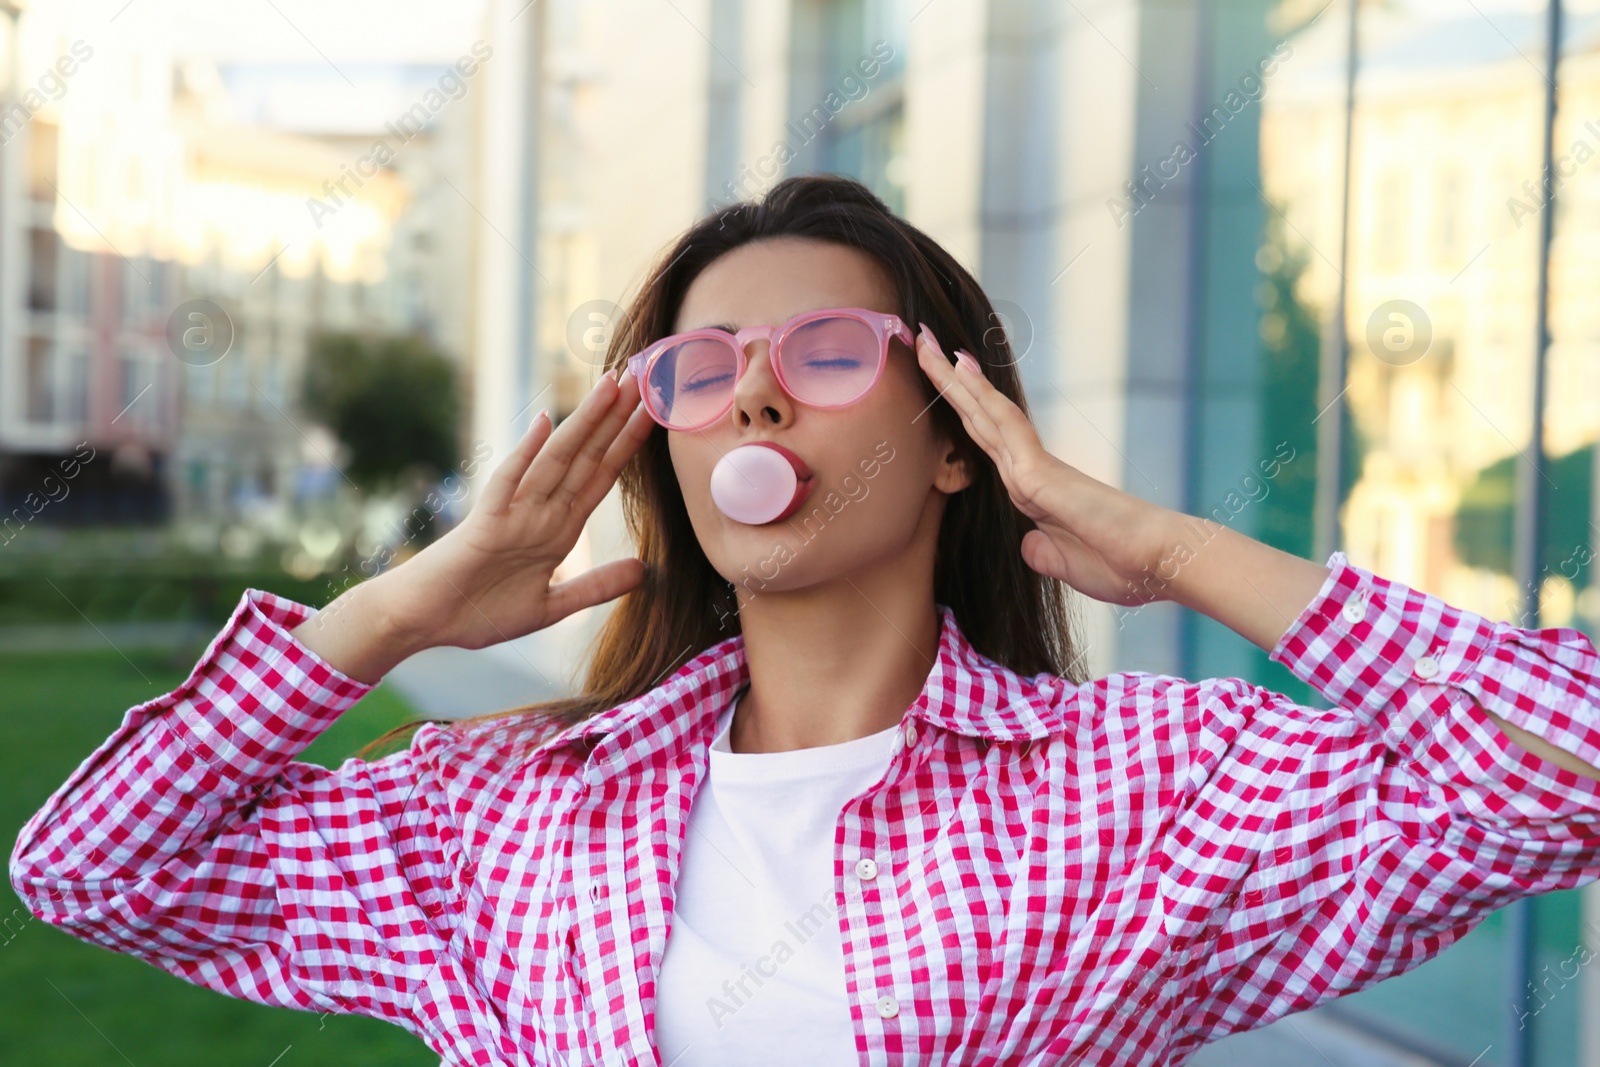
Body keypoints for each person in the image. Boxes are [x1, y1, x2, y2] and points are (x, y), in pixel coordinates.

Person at [11, 174, 1600, 1067]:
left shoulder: (1154, 789)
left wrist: (1178, 551)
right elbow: (88, 869)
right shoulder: (500, 811)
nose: (757, 387)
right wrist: (394, 611)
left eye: (830, 350)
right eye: (701, 372)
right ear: (669, 443)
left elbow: (1567, 768)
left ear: (958, 442)